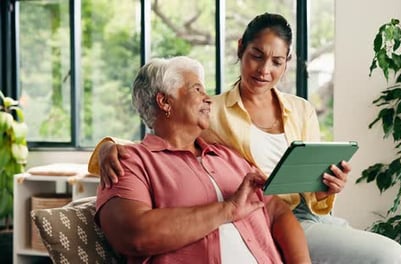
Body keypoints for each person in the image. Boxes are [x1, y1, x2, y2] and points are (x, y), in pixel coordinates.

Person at [91, 13, 401, 264]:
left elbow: (297, 202)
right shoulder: (210, 113)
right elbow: (160, 133)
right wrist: (108, 146)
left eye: (277, 62)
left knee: (386, 254)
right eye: (257, 55)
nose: (265, 70)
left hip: (296, 214)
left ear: (286, 64)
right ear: (241, 48)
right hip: (260, 216)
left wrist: (327, 186)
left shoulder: (298, 112)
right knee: (387, 255)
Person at [94, 56, 311, 263]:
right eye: (197, 89)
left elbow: (276, 210)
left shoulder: (228, 157)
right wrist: (227, 209)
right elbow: (134, 235)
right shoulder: (128, 162)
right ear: (164, 102)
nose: (208, 98)